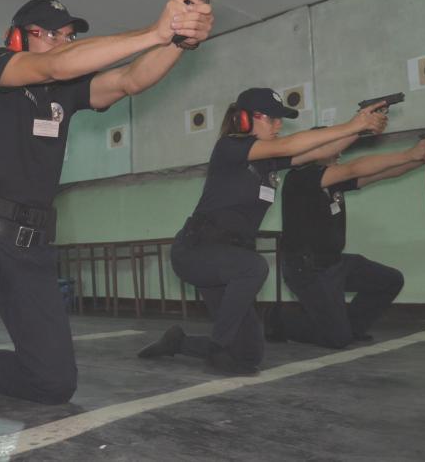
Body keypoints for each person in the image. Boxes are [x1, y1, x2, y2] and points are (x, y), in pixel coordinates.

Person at [0, 0, 214, 439]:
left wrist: (178, 42)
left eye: (69, 36)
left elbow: (130, 80)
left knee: (53, 384)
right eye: (50, 33)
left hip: (29, 244)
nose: (62, 42)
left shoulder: (65, 92)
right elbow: (54, 66)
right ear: (18, 37)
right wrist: (156, 31)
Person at [137, 88, 388, 375]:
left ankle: (179, 342)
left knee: (248, 354)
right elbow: (290, 145)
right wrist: (352, 124)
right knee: (254, 268)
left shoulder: (268, 162)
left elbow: (322, 151)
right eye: (271, 118)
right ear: (244, 119)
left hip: (229, 260)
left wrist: (361, 128)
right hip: (197, 251)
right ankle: (218, 349)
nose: (278, 125)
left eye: (280, 119)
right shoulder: (230, 147)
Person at [267, 132, 425, 349]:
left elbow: (382, 174)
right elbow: (355, 168)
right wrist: (409, 154)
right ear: (317, 151)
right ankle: (279, 321)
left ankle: (351, 327)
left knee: (390, 280)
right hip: (307, 269)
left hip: (334, 263)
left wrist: (421, 160)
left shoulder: (333, 182)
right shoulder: (300, 177)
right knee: (336, 339)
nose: (340, 152)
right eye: (335, 147)